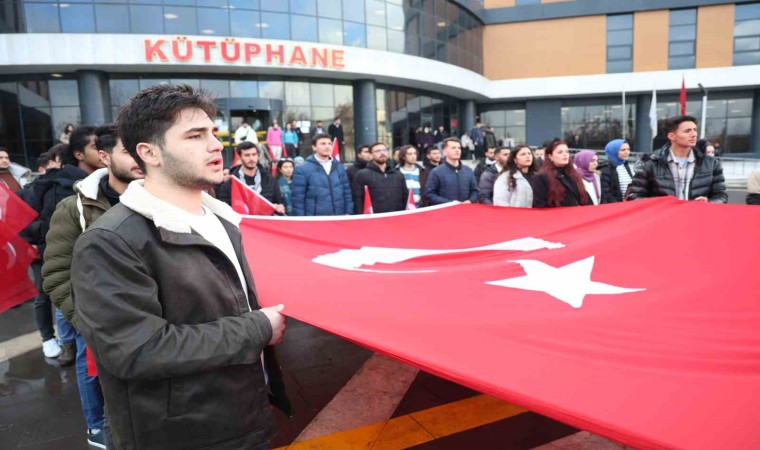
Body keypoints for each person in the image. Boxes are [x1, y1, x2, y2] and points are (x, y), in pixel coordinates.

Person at [70, 84, 290, 450]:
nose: (217, 145)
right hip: (183, 434)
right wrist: (257, 329)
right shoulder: (110, 241)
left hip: (243, 419)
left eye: (213, 133)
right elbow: (136, 349)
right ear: (149, 153)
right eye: (195, 135)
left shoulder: (222, 221)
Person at [43, 124, 144, 449]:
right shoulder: (75, 208)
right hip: (98, 322)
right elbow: (57, 274)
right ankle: (96, 426)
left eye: (142, 148)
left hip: (149, 323)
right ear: (104, 156)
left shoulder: (162, 202)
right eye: (127, 150)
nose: (139, 157)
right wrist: (87, 322)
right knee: (92, 369)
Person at [20, 126, 103, 364]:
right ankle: (61, 342)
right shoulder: (57, 186)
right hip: (61, 259)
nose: (102, 152)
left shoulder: (104, 181)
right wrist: (41, 241)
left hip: (91, 265)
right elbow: (33, 219)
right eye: (95, 147)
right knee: (56, 298)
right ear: (78, 154)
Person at [629, 115, 727, 203]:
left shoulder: (712, 164)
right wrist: (658, 204)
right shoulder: (650, 163)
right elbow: (634, 196)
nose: (694, 134)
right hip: (663, 220)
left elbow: (721, 196)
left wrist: (709, 202)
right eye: (687, 131)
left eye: (695, 130)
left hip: (697, 219)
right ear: (672, 136)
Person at [291, 133, 353, 216]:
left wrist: (348, 212)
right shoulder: (302, 169)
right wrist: (301, 221)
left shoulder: (339, 167)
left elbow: (347, 192)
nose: (327, 146)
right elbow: (298, 199)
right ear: (314, 147)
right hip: (315, 220)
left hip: (339, 217)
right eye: (323, 144)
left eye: (329, 144)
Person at [217, 142, 285, 214]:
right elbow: (224, 211)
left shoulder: (269, 180)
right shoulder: (230, 183)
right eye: (247, 155)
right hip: (242, 223)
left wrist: (279, 208)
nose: (251, 158)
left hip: (265, 223)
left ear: (258, 156)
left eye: (254, 154)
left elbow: (278, 203)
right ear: (240, 157)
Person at [352, 142, 408, 214]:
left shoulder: (398, 174)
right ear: (371, 155)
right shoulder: (362, 175)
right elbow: (358, 200)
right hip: (374, 219)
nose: (382, 153)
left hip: (396, 217)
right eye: (378, 151)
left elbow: (405, 197)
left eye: (384, 150)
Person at [530, 140, 589, 208]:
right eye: (560, 152)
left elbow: (585, 198)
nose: (565, 154)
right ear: (550, 156)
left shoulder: (573, 175)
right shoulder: (541, 177)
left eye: (567, 151)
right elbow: (540, 205)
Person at [424, 138, 478, 205]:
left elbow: (475, 191)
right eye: (453, 148)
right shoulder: (436, 172)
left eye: (459, 148)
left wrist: (470, 200)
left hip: (466, 210)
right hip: (445, 212)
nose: (457, 150)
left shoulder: (468, 171)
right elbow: (429, 194)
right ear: (444, 152)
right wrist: (450, 203)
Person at [600, 139, 635, 203]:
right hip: (615, 208)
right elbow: (606, 193)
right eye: (623, 150)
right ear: (614, 151)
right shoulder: (606, 169)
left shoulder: (625, 165)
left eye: (628, 149)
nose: (627, 152)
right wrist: (618, 205)